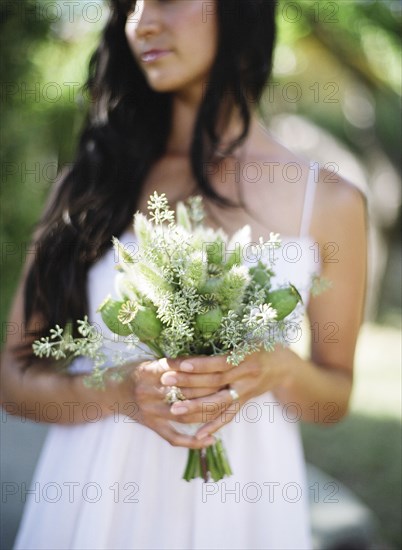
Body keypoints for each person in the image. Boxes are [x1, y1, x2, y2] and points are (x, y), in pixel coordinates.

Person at [2, 1, 367, 549]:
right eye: (128, 6)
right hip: (97, 504)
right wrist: (119, 394)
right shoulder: (90, 186)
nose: (142, 22)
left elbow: (333, 399)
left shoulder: (331, 201)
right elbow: (13, 380)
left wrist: (276, 369)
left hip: (248, 510)